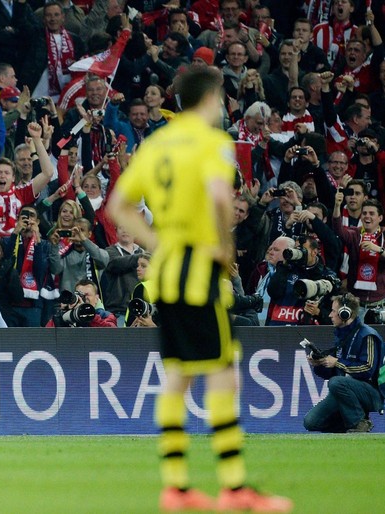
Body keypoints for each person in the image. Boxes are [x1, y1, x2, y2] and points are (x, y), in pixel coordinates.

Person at [107, 67, 292, 512]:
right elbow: (217, 196)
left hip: (167, 274)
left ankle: (175, 486)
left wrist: (160, 242)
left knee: (177, 376)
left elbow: (120, 206)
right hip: (200, 271)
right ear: (211, 98)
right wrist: (223, 246)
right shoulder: (212, 143)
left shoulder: (155, 144)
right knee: (225, 374)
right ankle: (233, 487)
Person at [304, 293, 385, 433]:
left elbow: (368, 369)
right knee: (311, 422)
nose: (329, 315)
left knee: (336, 382)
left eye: (333, 311)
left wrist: (337, 363)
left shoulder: (367, 335)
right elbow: (333, 373)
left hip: (373, 393)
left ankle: (360, 423)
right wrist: (319, 364)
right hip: (346, 390)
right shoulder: (342, 336)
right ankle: (351, 427)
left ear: (345, 313)